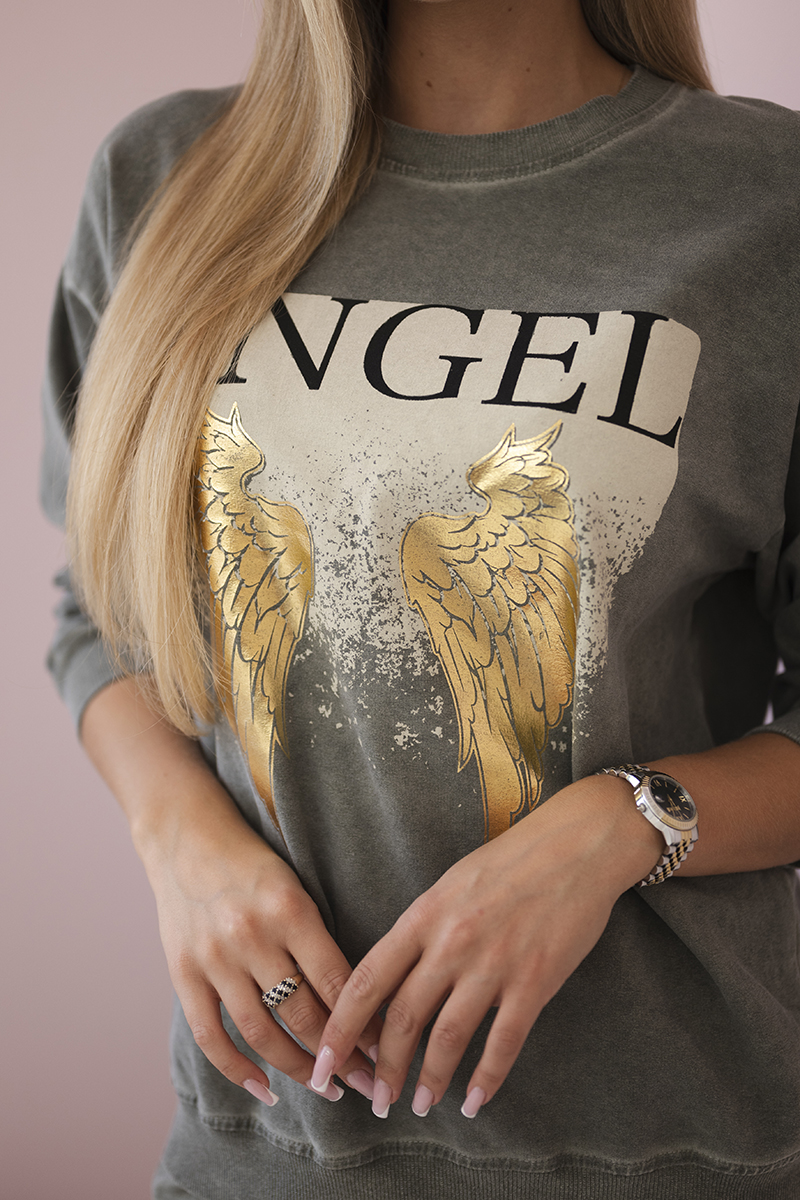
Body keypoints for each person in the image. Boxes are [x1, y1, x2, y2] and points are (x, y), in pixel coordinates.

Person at [42, 0, 800, 1196]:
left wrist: (618, 825)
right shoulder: (164, 178)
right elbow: (104, 610)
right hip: (265, 1152)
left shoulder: (767, 205)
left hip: (667, 1145)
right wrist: (181, 838)